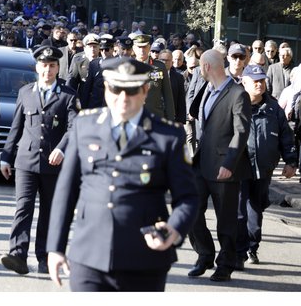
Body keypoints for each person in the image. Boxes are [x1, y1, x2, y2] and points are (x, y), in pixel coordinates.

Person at [46, 57, 198, 291]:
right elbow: (65, 193)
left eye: (132, 90)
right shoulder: (85, 127)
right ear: (106, 88)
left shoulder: (167, 136)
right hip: (89, 255)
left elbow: (188, 197)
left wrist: (173, 230)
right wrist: (55, 247)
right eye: (117, 89)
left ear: (145, 90)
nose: (124, 98)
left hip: (145, 258)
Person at [0, 45, 79, 275]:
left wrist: (62, 149)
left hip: (54, 164)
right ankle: (18, 254)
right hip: (25, 161)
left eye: (52, 65)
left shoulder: (67, 95)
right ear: (37, 67)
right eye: (44, 65)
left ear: (57, 68)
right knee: (22, 208)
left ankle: (44, 257)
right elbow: (16, 128)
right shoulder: (25, 92)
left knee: (48, 211)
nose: (48, 70)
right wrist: (6, 157)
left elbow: (74, 127)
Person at [187, 50, 251, 282]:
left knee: (226, 222)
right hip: (202, 163)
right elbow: (195, 114)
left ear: (205, 67)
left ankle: (225, 264)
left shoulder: (238, 94)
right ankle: (204, 255)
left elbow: (241, 132)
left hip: (225, 169)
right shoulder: (207, 90)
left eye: (200, 68)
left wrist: (229, 163)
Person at [236, 65, 297, 268]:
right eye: (254, 80)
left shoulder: (273, 109)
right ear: (244, 82)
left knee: (256, 208)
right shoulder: (235, 104)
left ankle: (252, 246)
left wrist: (291, 162)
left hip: (263, 168)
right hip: (239, 166)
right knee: (239, 210)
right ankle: (239, 251)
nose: (259, 83)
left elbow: (286, 138)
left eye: (262, 79)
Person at [132, 34, 175, 120]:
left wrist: (170, 119)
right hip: (132, 116)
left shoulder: (160, 67)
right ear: (134, 48)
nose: (142, 50)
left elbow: (168, 95)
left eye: (144, 47)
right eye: (139, 47)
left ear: (149, 47)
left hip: (154, 116)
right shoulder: (127, 66)